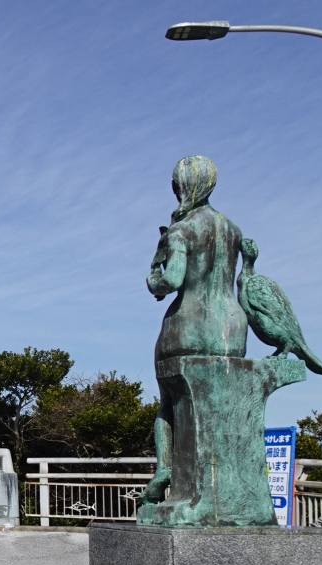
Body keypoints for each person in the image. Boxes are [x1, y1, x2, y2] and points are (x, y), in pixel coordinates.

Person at [140, 155, 247, 506]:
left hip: (187, 324)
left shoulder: (182, 230)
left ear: (179, 186)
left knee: (170, 403)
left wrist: (152, 280)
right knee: (222, 406)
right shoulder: (232, 230)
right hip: (231, 325)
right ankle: (223, 487)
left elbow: (172, 280)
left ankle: (165, 470)